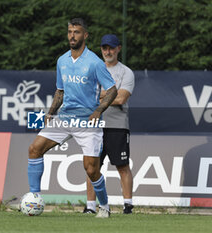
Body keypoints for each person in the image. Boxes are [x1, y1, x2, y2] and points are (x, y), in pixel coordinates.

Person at [27, 18, 117, 218]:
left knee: (91, 169)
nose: (72, 36)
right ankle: (34, 198)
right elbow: (60, 91)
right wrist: (50, 113)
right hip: (64, 118)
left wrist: (98, 111)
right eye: (69, 32)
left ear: (85, 35)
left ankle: (104, 206)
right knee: (34, 149)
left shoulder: (95, 62)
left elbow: (112, 90)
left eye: (76, 32)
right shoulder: (62, 60)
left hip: (87, 121)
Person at [83, 34, 135, 214]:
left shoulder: (126, 72)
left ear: (119, 48)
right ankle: (90, 206)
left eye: (111, 48)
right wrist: (109, 93)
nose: (108, 51)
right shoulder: (92, 69)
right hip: (94, 125)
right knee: (92, 167)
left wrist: (100, 95)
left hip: (117, 124)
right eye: (105, 48)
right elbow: (85, 96)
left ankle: (128, 205)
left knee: (122, 165)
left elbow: (121, 98)